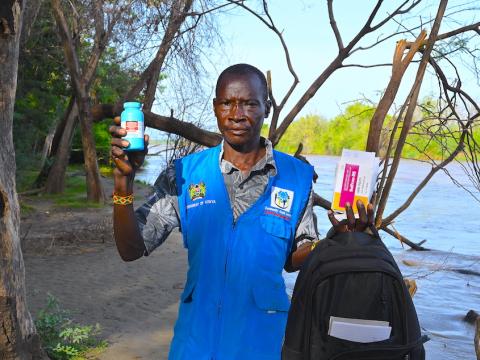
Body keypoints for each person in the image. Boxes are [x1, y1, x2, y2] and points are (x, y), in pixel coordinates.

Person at [110, 63, 372, 360]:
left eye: (249, 103)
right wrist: (123, 184)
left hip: (263, 345)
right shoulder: (185, 174)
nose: (237, 114)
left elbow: (293, 258)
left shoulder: (297, 177)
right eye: (227, 103)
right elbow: (131, 249)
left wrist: (333, 243)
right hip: (194, 345)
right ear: (215, 107)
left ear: (267, 107)